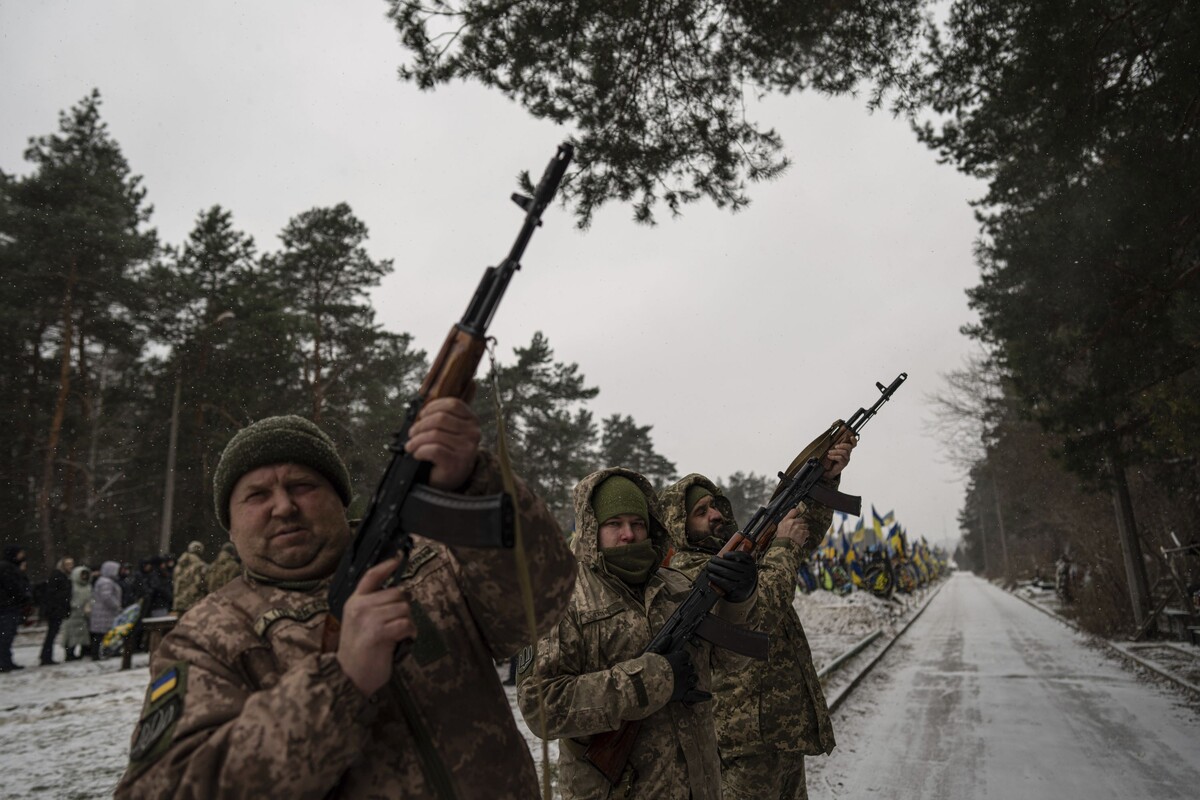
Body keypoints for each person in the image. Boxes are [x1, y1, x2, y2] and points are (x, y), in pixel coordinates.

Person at [115, 405, 576, 799]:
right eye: (256, 495)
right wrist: (343, 680)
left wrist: (474, 480)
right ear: (231, 526)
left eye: (301, 485)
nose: (283, 506)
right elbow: (165, 787)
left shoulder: (428, 561)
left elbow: (544, 600)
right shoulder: (207, 638)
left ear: (340, 499)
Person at [517, 468, 758, 799]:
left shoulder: (678, 588)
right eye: (614, 524)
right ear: (591, 528)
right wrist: (652, 680)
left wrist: (739, 599)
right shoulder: (560, 601)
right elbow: (541, 707)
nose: (628, 534)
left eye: (637, 523)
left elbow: (732, 664)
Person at [657, 436, 854, 800]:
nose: (715, 514)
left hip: (780, 728)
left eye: (715, 506)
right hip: (743, 738)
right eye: (700, 512)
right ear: (677, 525)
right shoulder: (688, 572)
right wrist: (785, 547)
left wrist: (824, 482)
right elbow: (761, 613)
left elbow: (796, 536)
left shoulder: (736, 556)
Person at [1, 546, 33, 672]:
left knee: (8, 635)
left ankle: (6, 661)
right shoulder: (7, 568)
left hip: (10, 606)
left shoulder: (9, 567)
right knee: (6, 635)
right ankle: (4, 662)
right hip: (7, 607)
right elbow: (14, 586)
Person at [38, 556, 74, 665]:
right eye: (68, 564)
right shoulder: (58, 576)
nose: (70, 566)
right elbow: (53, 594)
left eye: (71, 564)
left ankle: (46, 656)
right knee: (51, 634)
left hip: (57, 609)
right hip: (55, 610)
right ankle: (46, 657)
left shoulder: (62, 576)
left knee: (52, 634)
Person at [89, 561, 123, 660]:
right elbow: (107, 597)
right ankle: (98, 653)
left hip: (103, 612)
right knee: (101, 634)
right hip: (104, 612)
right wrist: (116, 605)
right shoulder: (106, 582)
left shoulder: (104, 581)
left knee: (100, 634)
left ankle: (101, 652)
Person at [63, 565, 92, 661]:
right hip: (73, 614)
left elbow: (91, 598)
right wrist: (76, 605)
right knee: (71, 636)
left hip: (85, 614)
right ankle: (70, 653)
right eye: (82, 575)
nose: (84, 577)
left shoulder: (88, 586)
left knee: (83, 635)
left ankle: (83, 652)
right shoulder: (72, 586)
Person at [171, 540, 209, 615]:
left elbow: (174, 582)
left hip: (179, 603)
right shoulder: (200, 566)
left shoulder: (179, 566)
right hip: (194, 602)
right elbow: (202, 584)